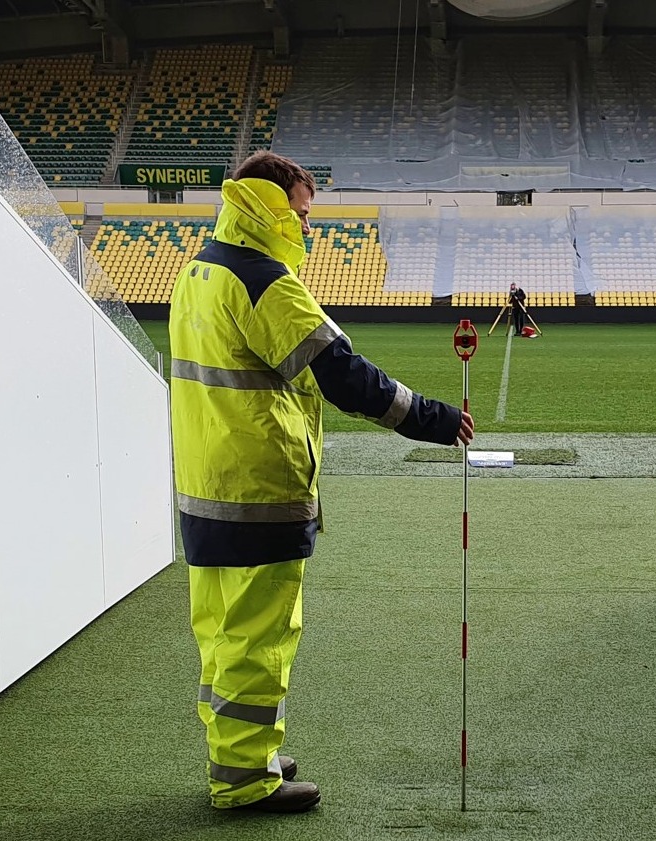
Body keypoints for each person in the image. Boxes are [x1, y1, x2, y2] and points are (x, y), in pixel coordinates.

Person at [168, 151, 475, 814]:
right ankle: (246, 781)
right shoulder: (263, 282)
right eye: (301, 213)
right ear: (272, 207)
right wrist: (435, 419)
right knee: (257, 640)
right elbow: (342, 375)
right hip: (256, 494)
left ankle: (243, 754)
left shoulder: (199, 270)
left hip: (204, 487)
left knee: (223, 635)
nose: (305, 228)